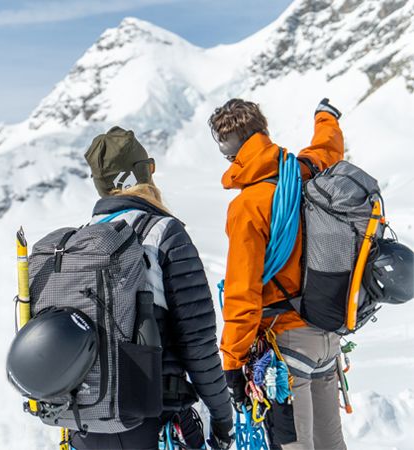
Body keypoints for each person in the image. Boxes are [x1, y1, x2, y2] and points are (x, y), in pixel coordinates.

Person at [70, 126, 234, 450]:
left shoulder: (78, 242)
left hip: (86, 425)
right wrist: (222, 418)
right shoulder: (164, 234)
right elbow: (198, 345)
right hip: (154, 422)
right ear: (140, 175)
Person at [208, 99, 347, 450]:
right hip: (326, 336)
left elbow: (243, 291)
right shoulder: (304, 171)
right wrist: (325, 116)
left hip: (285, 346)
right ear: (263, 132)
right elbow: (328, 148)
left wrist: (233, 362)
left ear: (231, 154)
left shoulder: (248, 206)